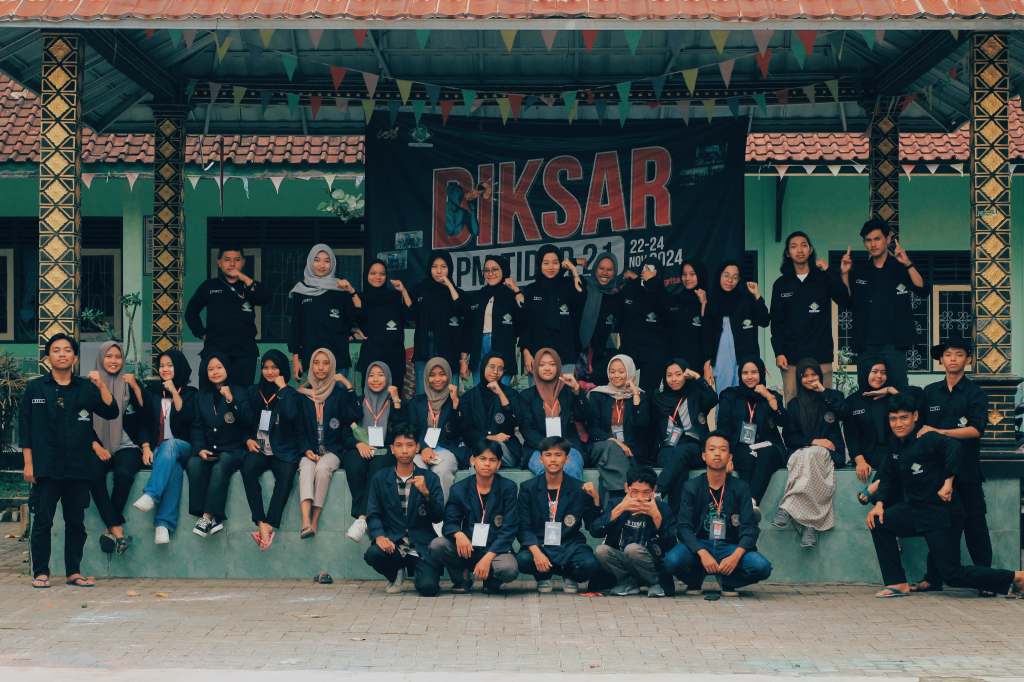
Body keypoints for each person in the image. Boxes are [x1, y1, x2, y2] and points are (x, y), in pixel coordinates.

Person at [866, 393, 1024, 598]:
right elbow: (888, 476)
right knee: (879, 521)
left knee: (952, 574)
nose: (898, 424)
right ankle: (897, 583)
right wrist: (879, 503)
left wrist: (948, 482)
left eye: (903, 418)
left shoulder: (929, 438)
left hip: (942, 513)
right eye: (893, 419)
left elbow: (955, 449)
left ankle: (1016, 577)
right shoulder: (895, 444)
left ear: (915, 416)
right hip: (915, 510)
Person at [21, 334, 118, 588]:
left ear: (75, 357)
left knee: (76, 523)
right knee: (43, 521)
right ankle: (41, 572)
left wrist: (101, 385)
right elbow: (25, 428)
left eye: (67, 350)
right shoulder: (35, 388)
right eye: (56, 350)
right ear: (47, 358)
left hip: (78, 466)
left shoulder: (85, 387)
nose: (62, 354)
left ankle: (73, 572)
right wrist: (28, 463)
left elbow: (111, 411)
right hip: (46, 466)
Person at [913, 335, 992, 594]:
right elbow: (919, 428)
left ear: (968, 360)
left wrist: (940, 432)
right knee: (939, 526)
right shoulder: (930, 392)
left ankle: (986, 581)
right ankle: (933, 578)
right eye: (948, 355)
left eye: (959, 354)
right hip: (937, 473)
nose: (953, 359)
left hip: (967, 472)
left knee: (975, 526)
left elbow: (976, 430)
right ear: (941, 360)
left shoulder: (975, 393)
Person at [664, 433, 772, 598]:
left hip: (730, 546)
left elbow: (750, 527)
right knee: (671, 561)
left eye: (723, 450)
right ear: (704, 456)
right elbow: (683, 527)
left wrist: (735, 556)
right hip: (700, 544)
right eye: (712, 449)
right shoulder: (691, 487)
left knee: (762, 567)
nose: (717, 454)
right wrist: (702, 552)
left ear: (730, 457)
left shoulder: (740, 487)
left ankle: (728, 581)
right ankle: (694, 579)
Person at [838, 218, 930, 388]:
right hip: (866, 344)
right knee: (867, 394)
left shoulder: (901, 267)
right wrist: (844, 273)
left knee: (898, 393)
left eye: (877, 239)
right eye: (868, 240)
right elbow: (846, 301)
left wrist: (908, 263)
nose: (873, 244)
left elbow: (923, 290)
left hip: (895, 344)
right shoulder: (859, 270)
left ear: (888, 239)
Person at [773, 358, 847, 549]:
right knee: (808, 455)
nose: (810, 379)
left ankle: (787, 507)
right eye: (805, 376)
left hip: (830, 453)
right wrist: (813, 441)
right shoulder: (794, 405)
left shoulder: (832, 397)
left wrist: (824, 392)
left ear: (820, 376)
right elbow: (789, 437)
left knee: (810, 455)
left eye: (814, 374)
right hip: (802, 452)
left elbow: (844, 413)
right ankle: (810, 527)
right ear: (799, 379)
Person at [429, 443, 520, 594]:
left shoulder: (508, 488)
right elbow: (450, 522)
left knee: (508, 568)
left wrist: (488, 558)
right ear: (473, 461)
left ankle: (491, 580)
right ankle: (462, 578)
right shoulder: (459, 489)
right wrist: (458, 534)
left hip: (495, 549)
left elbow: (510, 529)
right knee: (437, 545)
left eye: (492, 460)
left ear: (499, 464)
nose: (487, 463)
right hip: (468, 548)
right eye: (482, 459)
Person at [364, 427, 445, 596]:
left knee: (428, 589)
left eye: (409, 445)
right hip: (393, 543)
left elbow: (438, 517)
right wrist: (379, 536)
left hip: (421, 545)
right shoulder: (380, 478)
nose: (404, 450)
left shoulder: (430, 478)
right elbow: (373, 512)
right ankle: (396, 573)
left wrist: (426, 494)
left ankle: (421, 574)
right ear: (392, 449)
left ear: (417, 448)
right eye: (399, 445)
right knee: (373, 554)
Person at [515, 437, 602, 593]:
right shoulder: (528, 488)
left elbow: (592, 526)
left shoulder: (579, 488)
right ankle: (543, 576)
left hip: (570, 544)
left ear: (567, 459)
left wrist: (595, 499)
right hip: (541, 543)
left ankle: (570, 576)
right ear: (541, 459)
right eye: (548, 455)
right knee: (523, 559)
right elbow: (523, 527)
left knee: (590, 564)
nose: (553, 459)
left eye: (558, 455)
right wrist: (536, 553)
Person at [770, 231, 847, 404]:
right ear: (788, 253)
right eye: (794, 246)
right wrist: (779, 352)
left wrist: (830, 271)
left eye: (804, 245)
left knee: (824, 403)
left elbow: (844, 299)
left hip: (821, 353)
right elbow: (776, 322)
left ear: (810, 250)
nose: (799, 250)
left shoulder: (823, 278)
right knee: (792, 402)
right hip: (791, 356)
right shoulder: (781, 284)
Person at [185, 353, 255, 537]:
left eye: (219, 367)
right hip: (210, 448)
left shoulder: (240, 391)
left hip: (234, 448)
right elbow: (197, 426)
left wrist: (231, 400)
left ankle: (207, 516)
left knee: (221, 464)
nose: (215, 372)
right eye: (210, 369)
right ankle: (212, 518)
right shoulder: (201, 396)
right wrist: (199, 448)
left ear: (227, 369)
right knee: (193, 463)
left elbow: (248, 420)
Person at [132, 349, 197, 545]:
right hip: (160, 450)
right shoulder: (153, 392)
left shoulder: (191, 393)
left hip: (183, 446)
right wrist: (145, 447)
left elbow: (186, 417)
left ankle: (151, 494)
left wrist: (174, 392)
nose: (165, 369)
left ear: (179, 367)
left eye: (170, 365)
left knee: (171, 445)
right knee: (174, 469)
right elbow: (144, 421)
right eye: (161, 366)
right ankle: (163, 525)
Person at [87, 341, 145, 556]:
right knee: (94, 475)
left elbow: (145, 414)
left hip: (126, 445)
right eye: (109, 356)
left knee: (124, 474)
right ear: (101, 358)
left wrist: (136, 387)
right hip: (96, 444)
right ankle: (118, 531)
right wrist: (95, 445)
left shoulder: (129, 382)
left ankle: (111, 528)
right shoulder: (89, 385)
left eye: (118, 356)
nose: (114, 360)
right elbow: (79, 422)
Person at [240, 350, 302, 551]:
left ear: (282, 370)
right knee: (248, 469)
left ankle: (269, 524)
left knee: (286, 477)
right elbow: (243, 422)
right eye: (265, 368)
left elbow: (291, 415)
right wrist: (247, 439)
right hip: (259, 448)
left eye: (274, 367)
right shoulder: (252, 392)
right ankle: (260, 521)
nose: (269, 372)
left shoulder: (290, 393)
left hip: (282, 449)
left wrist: (283, 389)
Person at [296, 348, 359, 540]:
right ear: (310, 366)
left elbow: (353, 415)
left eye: (326, 363)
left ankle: (315, 520)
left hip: (332, 450)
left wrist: (348, 386)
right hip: (309, 449)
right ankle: (305, 521)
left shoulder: (338, 394)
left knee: (323, 469)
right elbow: (298, 428)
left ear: (332, 366)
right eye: (316, 363)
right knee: (306, 468)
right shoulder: (302, 394)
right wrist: (306, 450)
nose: (321, 367)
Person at [185, 246, 270, 388]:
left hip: (244, 352)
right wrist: (201, 333)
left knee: (242, 394)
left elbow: (265, 298)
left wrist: (244, 278)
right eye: (227, 260)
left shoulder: (249, 285)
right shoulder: (209, 286)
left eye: (237, 260)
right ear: (219, 263)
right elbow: (191, 312)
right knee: (211, 394)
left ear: (243, 262)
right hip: (215, 350)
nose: (232, 264)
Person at [341, 360, 402, 543]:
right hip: (361, 446)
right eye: (371, 375)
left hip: (385, 449)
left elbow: (401, 430)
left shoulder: (394, 402)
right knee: (354, 464)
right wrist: (358, 444)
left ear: (388, 378)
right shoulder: (359, 401)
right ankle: (366, 516)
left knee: (378, 468)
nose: (375, 379)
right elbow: (344, 429)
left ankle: (361, 518)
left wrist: (396, 400)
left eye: (381, 375)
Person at [716, 357, 787, 513]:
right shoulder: (730, 395)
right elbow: (723, 428)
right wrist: (726, 455)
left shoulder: (771, 395)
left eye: (754, 372)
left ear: (761, 373)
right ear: (740, 375)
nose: (749, 377)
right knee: (746, 454)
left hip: (769, 447)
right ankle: (751, 505)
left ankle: (748, 503)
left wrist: (768, 397)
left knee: (766, 453)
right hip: (740, 446)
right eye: (745, 373)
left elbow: (784, 421)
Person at [591, 467, 676, 597]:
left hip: (650, 564)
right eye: (635, 492)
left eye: (646, 492)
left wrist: (656, 516)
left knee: (633, 549)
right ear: (626, 487)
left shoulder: (662, 508)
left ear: (653, 490)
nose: (640, 497)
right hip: (624, 561)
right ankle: (628, 583)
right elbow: (595, 531)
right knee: (601, 550)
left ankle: (654, 584)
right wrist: (619, 509)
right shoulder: (616, 504)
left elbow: (671, 544)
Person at [287, 244, 362, 381]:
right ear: (310, 262)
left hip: (339, 360)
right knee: (314, 395)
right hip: (312, 360)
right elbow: (295, 327)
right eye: (317, 260)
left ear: (332, 264)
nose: (322, 265)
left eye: (327, 261)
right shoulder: (300, 291)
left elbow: (356, 316)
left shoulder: (341, 288)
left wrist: (351, 290)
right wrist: (296, 359)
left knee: (339, 394)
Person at [651, 358, 717, 513]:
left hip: (694, 446)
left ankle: (658, 491)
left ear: (685, 375)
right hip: (668, 446)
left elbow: (713, 399)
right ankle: (678, 519)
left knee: (682, 452)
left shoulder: (695, 394)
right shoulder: (658, 398)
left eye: (678, 374)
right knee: (679, 467)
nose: (673, 379)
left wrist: (698, 377)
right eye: (669, 375)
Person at [586, 354, 650, 503]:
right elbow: (593, 429)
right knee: (612, 448)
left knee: (616, 459)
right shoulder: (598, 394)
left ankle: (610, 504)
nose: (616, 375)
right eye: (612, 371)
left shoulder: (640, 396)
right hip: (602, 445)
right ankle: (621, 498)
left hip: (631, 450)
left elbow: (642, 427)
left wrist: (635, 396)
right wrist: (616, 442)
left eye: (621, 371)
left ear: (630, 372)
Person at [845, 356, 905, 506]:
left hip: (894, 448)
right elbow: (851, 435)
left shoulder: (892, 398)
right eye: (875, 371)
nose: (879, 376)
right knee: (893, 461)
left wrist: (891, 390)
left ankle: (873, 490)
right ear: (865, 373)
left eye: (883, 372)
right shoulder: (852, 401)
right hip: (869, 453)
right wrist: (859, 460)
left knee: (895, 457)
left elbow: (910, 412)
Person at [519, 348, 587, 480]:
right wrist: (548, 447)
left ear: (559, 367)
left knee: (571, 467)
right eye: (542, 365)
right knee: (545, 469)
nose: (547, 368)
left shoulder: (568, 391)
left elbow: (584, 416)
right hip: (538, 448)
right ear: (535, 368)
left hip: (568, 446)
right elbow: (526, 429)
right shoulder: (526, 396)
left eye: (552, 364)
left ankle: (570, 495)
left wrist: (577, 391)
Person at [406, 251, 467, 395]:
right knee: (422, 394)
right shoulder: (420, 289)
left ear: (450, 268)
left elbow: (461, 309)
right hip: (424, 347)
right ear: (429, 268)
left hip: (449, 349)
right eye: (435, 266)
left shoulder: (457, 292)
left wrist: (448, 284)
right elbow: (410, 315)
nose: (439, 271)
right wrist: (403, 291)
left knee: (450, 395)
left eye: (443, 267)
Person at [703, 262, 769, 393]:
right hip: (720, 360)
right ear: (719, 276)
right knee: (723, 395)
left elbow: (764, 321)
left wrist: (757, 295)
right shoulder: (712, 302)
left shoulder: (747, 300)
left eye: (735, 277)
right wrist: (706, 362)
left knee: (747, 396)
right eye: (726, 275)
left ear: (739, 280)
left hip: (745, 357)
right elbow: (706, 335)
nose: (730, 280)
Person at [521, 244, 585, 379]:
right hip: (537, 356)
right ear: (539, 265)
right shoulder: (530, 290)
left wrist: (573, 270)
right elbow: (525, 325)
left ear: (560, 264)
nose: (551, 267)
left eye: (555, 262)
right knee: (538, 392)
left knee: (566, 392)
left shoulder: (569, 285)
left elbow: (581, 297)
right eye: (546, 263)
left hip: (566, 354)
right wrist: (526, 352)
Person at [463, 254, 524, 384]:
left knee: (501, 392)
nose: (490, 273)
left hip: (503, 348)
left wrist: (516, 290)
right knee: (480, 391)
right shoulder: (477, 296)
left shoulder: (511, 295)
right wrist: (463, 360)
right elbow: (468, 330)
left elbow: (525, 320)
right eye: (487, 270)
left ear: (504, 270)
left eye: (495, 269)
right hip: (479, 347)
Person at [409, 357, 463, 500]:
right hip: (421, 450)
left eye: (442, 374)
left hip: (446, 449)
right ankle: (418, 512)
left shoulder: (455, 401)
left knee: (442, 470)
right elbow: (412, 430)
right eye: (432, 375)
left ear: (449, 376)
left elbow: (458, 432)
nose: (437, 379)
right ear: (426, 378)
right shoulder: (416, 402)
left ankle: (440, 513)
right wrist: (424, 447)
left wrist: (455, 405)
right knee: (415, 468)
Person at [355, 259, 410, 390]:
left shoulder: (395, 296)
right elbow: (354, 318)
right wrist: (353, 329)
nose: (378, 277)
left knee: (394, 397)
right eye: (373, 273)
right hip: (371, 355)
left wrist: (403, 291)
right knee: (370, 397)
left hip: (394, 356)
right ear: (366, 275)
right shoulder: (360, 297)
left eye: (382, 274)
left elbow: (410, 314)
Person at [459, 353, 522, 468]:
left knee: (481, 456)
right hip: (476, 446)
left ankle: (480, 461)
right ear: (483, 367)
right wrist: (491, 438)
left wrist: (501, 394)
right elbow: (466, 430)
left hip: (504, 449)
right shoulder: (468, 397)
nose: (495, 372)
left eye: (500, 369)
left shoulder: (511, 394)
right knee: (479, 452)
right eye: (492, 367)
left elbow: (513, 424)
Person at [619, 257, 670, 393]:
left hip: (653, 354)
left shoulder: (663, 294)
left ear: (657, 273)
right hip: (631, 349)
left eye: (649, 268)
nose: (644, 271)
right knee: (623, 390)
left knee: (648, 392)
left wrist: (652, 282)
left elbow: (664, 312)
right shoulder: (632, 289)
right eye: (643, 267)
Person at [577, 252, 624, 386]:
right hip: (578, 356)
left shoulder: (617, 295)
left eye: (609, 270)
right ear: (595, 268)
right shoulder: (583, 286)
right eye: (601, 268)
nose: (605, 273)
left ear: (615, 272)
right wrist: (574, 261)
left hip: (603, 359)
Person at [665, 260, 709, 375]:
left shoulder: (709, 300)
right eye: (684, 274)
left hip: (699, 363)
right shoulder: (675, 299)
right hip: (675, 364)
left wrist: (704, 304)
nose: (687, 278)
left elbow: (709, 333)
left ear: (700, 275)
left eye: (692, 274)